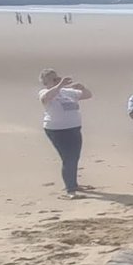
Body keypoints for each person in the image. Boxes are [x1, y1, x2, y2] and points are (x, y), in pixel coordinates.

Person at [39, 68, 93, 199]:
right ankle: (70, 190)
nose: (57, 81)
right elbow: (46, 98)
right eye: (54, 79)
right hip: (57, 130)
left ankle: (73, 184)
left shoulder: (67, 92)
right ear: (46, 82)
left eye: (57, 78)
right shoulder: (45, 92)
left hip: (73, 128)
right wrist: (59, 85)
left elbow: (87, 95)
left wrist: (82, 87)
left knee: (74, 157)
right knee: (68, 158)